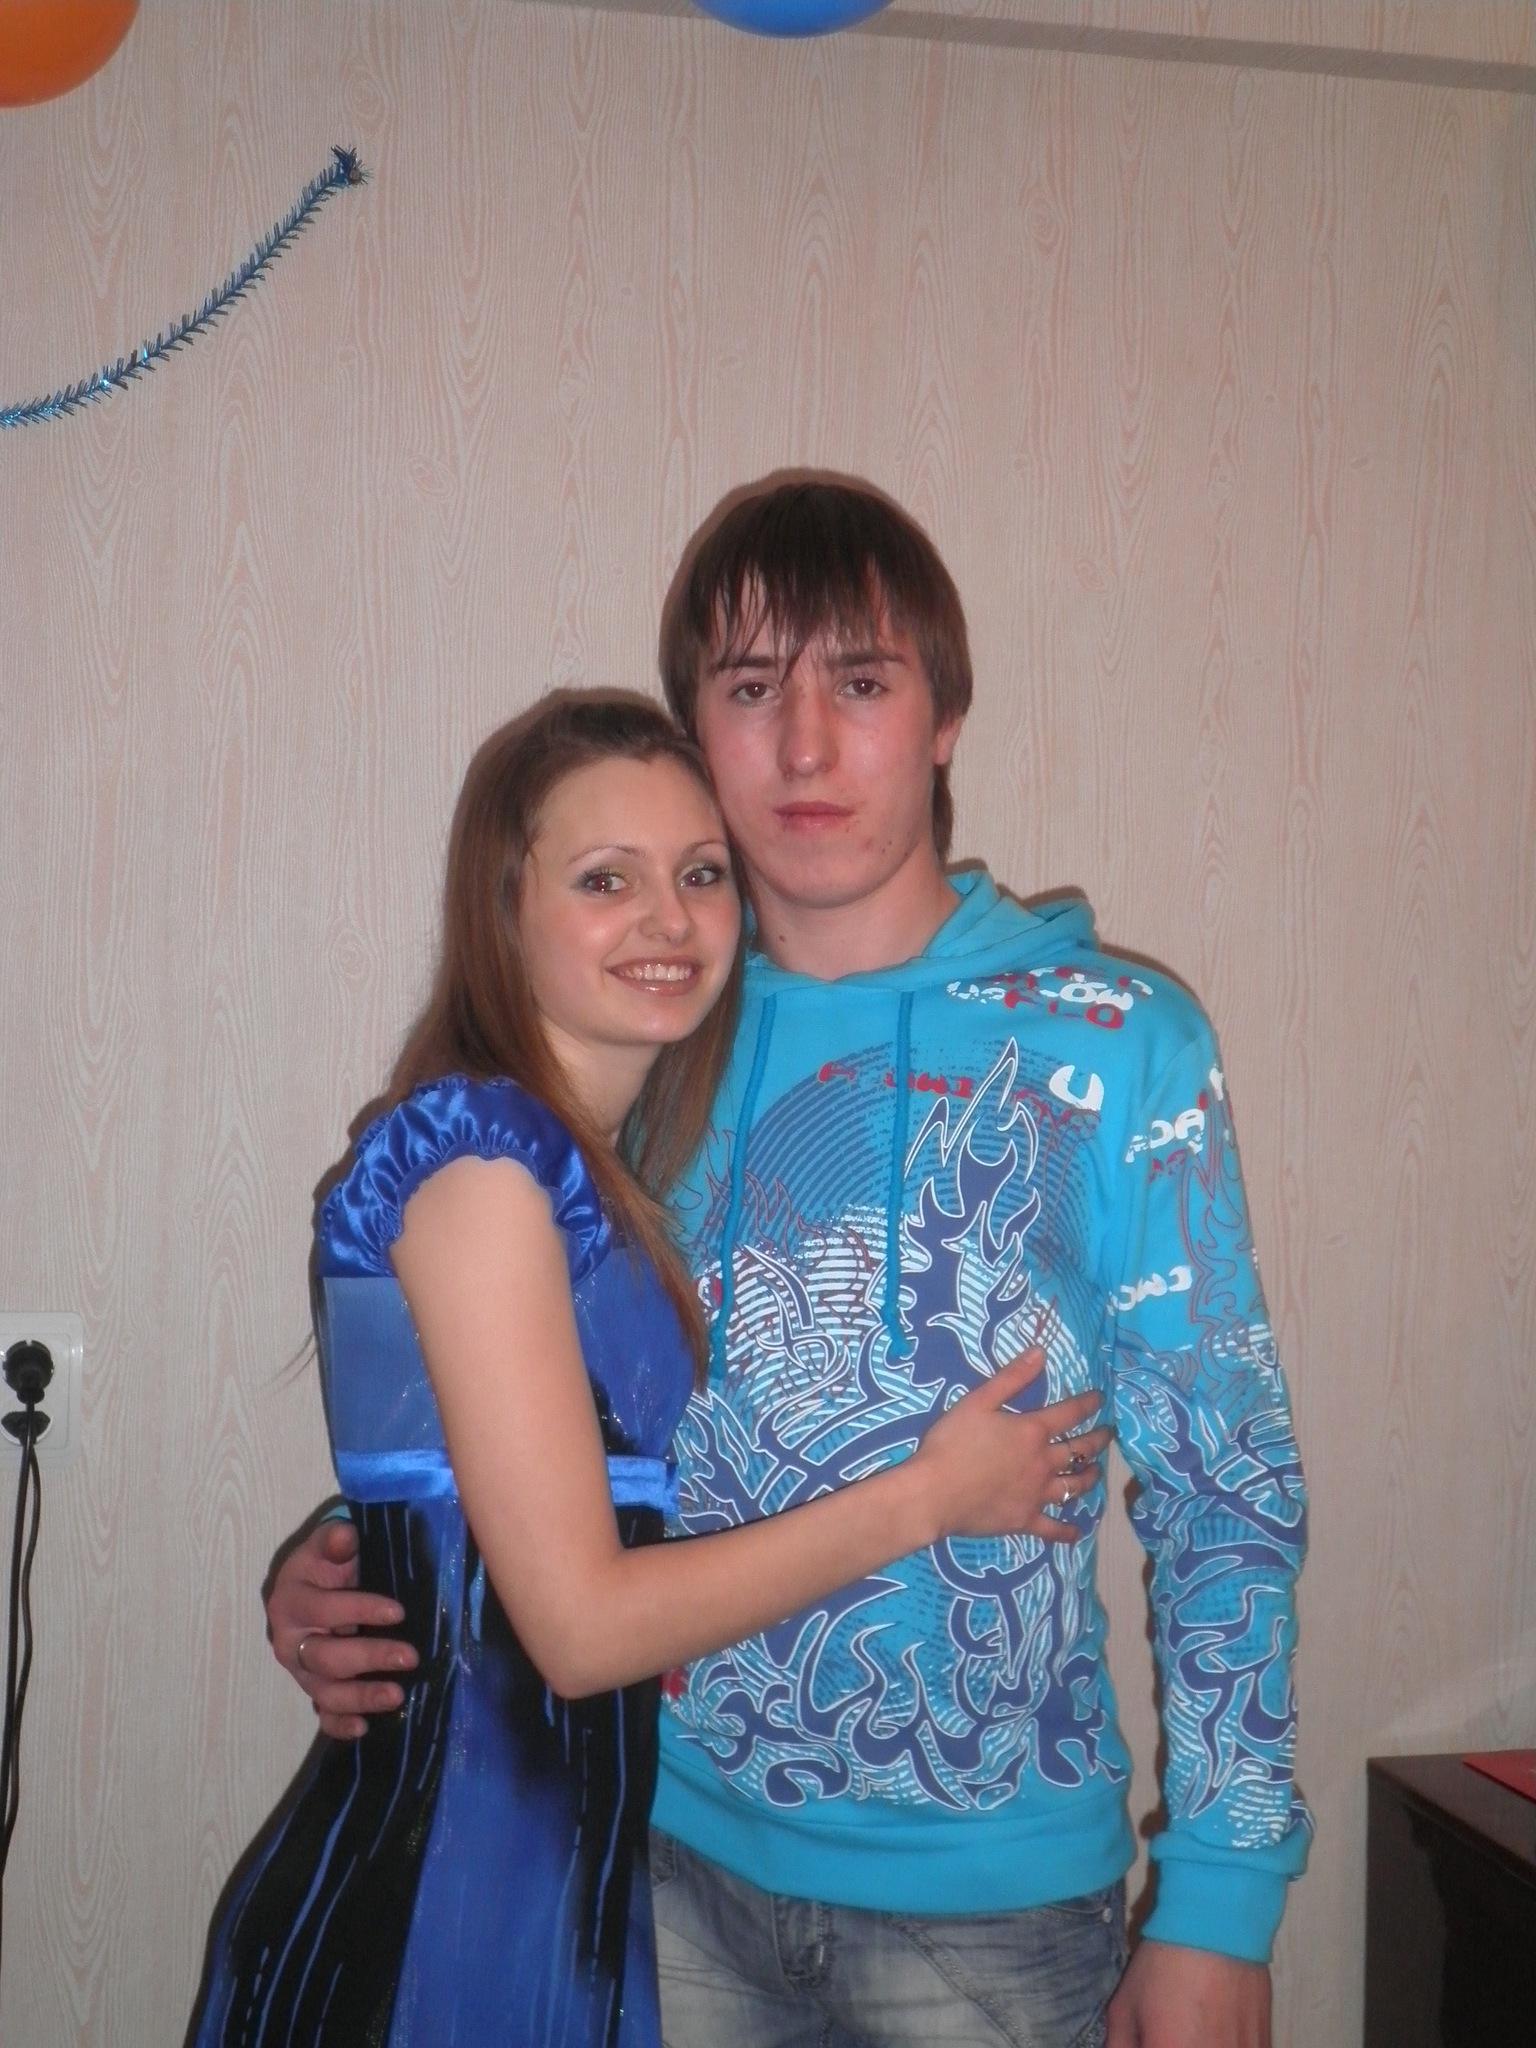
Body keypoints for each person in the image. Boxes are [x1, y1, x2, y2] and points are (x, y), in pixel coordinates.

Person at [267, 482, 1310, 2048]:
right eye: (752, 690)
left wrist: (1223, 1901)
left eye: (862, 683)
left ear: (945, 717)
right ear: (698, 729)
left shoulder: (1114, 1045)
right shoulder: (656, 1028)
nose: (806, 747)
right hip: (653, 1873)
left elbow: (1224, 1493)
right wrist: (374, 1556)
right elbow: (561, 1407)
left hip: (997, 1915)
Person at [188, 688, 1107, 2048]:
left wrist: (362, 1545)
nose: (669, 921)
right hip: (449, 1901)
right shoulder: (486, 1163)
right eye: (606, 880)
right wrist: (931, 1496)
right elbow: (577, 1630)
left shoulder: (604, 1170)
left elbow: (488, 1483)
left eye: (701, 875)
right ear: (506, 910)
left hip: (556, 1876)